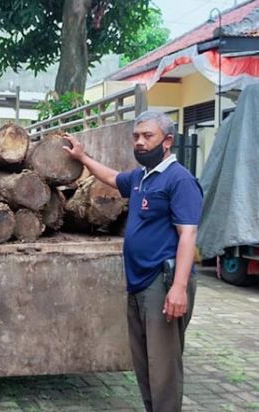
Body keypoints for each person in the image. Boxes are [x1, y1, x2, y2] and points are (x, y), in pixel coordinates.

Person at [62, 110, 203, 412]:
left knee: (163, 365)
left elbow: (188, 235)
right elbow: (112, 177)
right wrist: (83, 158)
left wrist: (178, 288)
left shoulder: (180, 180)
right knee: (144, 362)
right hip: (138, 282)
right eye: (136, 136)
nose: (139, 142)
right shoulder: (141, 177)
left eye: (147, 136)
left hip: (162, 282)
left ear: (167, 142)